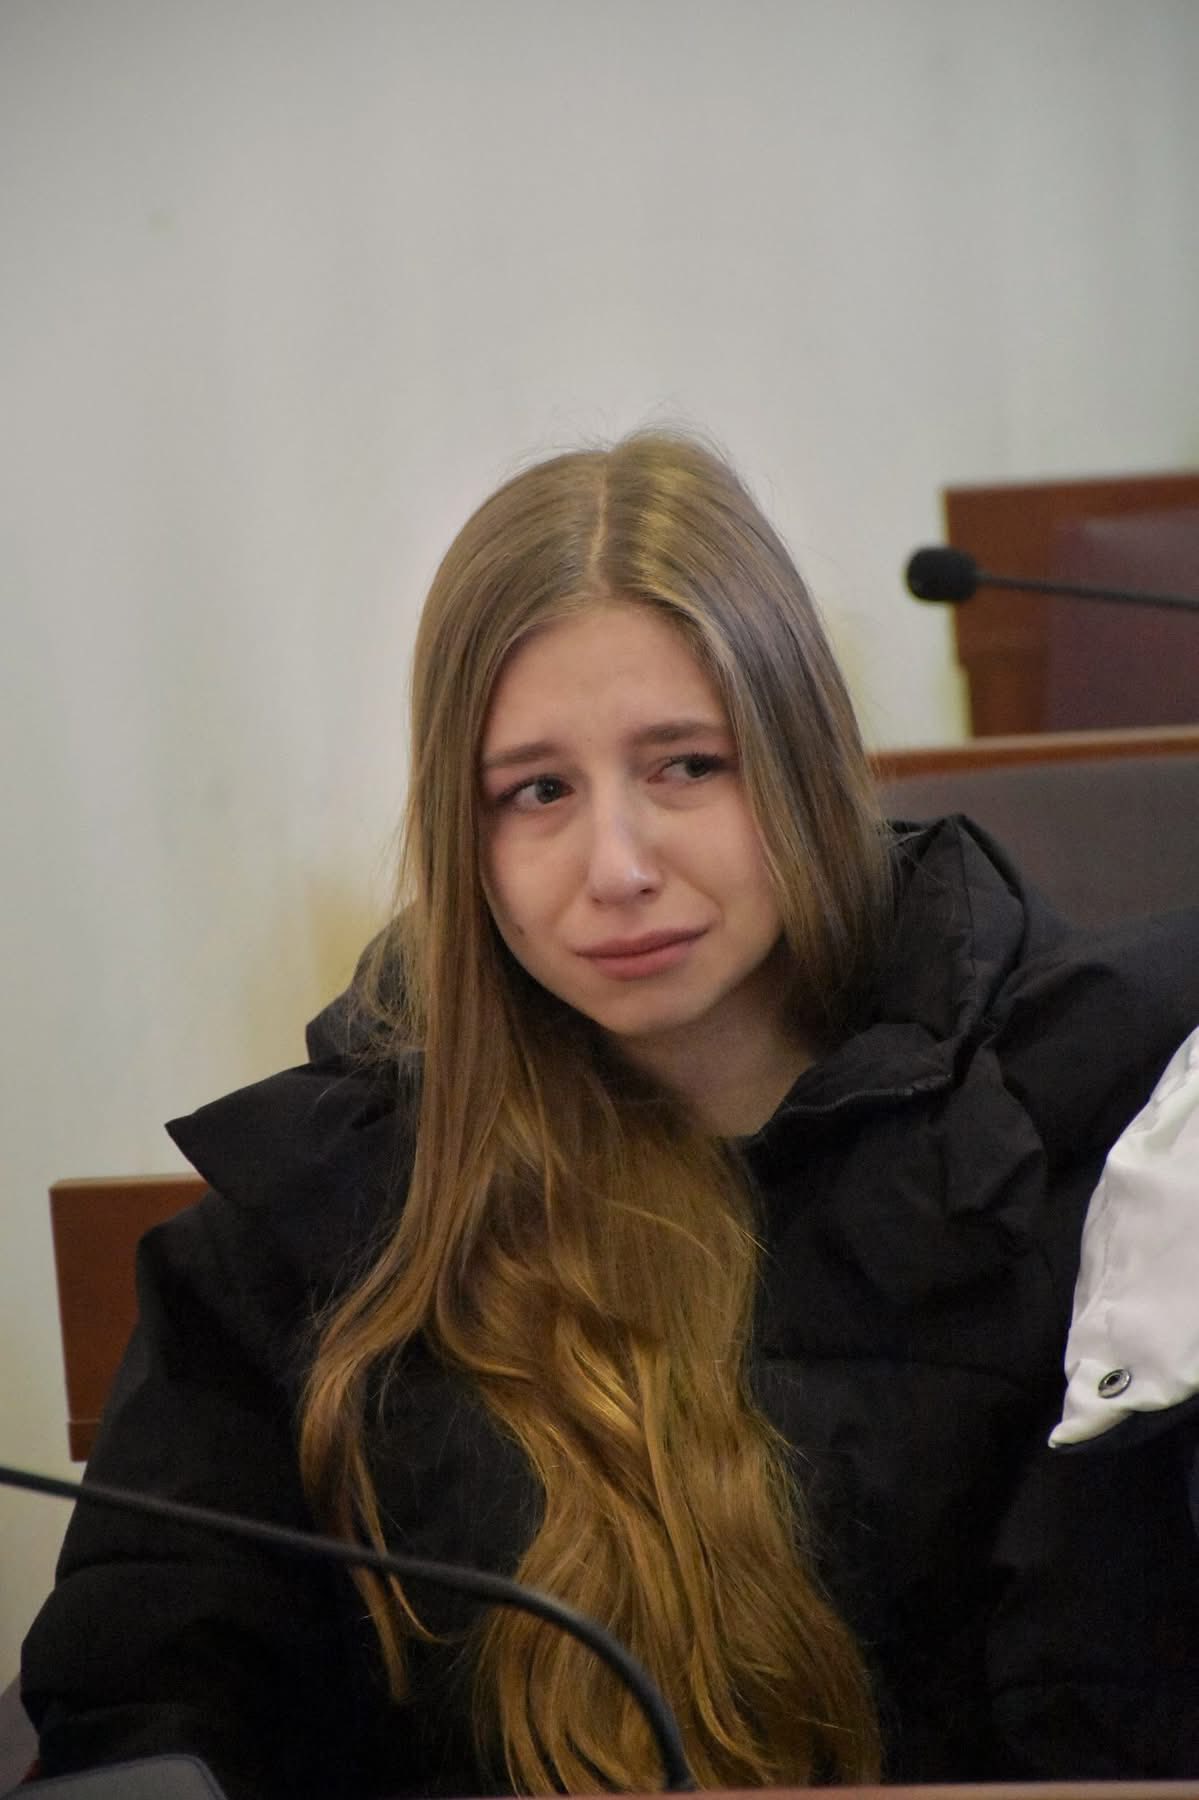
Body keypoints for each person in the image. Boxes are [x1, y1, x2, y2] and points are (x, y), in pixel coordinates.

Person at [22, 434, 1199, 1799]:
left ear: (803, 764)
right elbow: (151, 1682)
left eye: (686, 765)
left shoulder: (1097, 1136)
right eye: (537, 791)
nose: (618, 867)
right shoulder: (329, 1213)